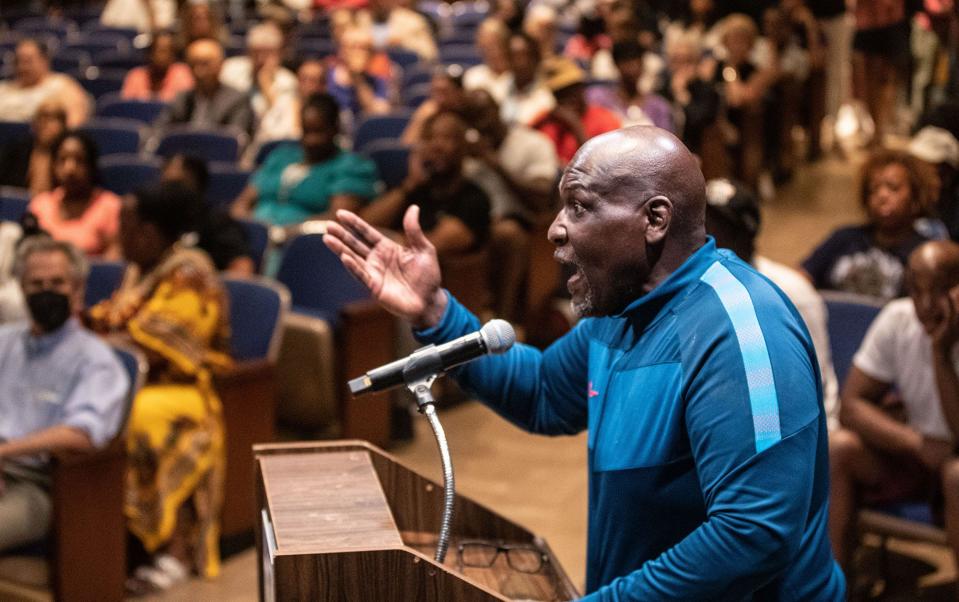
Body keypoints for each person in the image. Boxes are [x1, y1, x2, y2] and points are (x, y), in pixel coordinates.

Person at [324, 125, 845, 598]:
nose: (554, 229)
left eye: (578, 206)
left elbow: (754, 533)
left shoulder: (740, 329)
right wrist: (436, 310)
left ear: (654, 219)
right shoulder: (618, 314)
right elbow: (545, 393)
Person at [87, 181, 231, 591]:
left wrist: (104, 339)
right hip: (138, 379)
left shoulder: (190, 271)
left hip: (188, 387)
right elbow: (115, 319)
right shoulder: (141, 268)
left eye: (125, 227)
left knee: (142, 417)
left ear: (148, 232)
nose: (118, 236)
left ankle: (173, 551)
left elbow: (166, 345)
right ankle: (103, 544)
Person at [829, 241, 959, 579]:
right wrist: (915, 444)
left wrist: (941, 352)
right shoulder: (898, 318)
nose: (927, 305)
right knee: (840, 447)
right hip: (918, 458)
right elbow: (852, 407)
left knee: (956, 475)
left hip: (954, 466)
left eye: (941, 290)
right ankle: (835, 590)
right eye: (918, 291)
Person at [0, 236, 128, 553]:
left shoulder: (96, 360)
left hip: (42, 484)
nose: (46, 292)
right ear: (22, 289)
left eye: (57, 283)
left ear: (77, 290)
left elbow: (82, 434)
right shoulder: (5, 341)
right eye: (36, 283)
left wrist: (3, 454)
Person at [705, 178, 840, 431]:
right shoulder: (692, 291)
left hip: (793, 427)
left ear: (747, 233)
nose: (708, 236)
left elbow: (810, 384)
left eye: (719, 227)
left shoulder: (790, 292)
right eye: (701, 224)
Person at [802, 149, 938, 302]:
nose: (882, 196)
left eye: (893, 188)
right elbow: (801, 278)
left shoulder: (925, 253)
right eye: (873, 189)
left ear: (916, 198)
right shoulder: (844, 238)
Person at [231, 93, 378, 228]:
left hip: (302, 244)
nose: (310, 140)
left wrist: (285, 231)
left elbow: (338, 219)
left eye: (318, 132)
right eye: (306, 131)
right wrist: (253, 229)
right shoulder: (281, 157)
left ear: (335, 129)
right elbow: (242, 203)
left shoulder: (350, 166)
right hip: (255, 237)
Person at [362, 110, 491, 257]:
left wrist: (393, 238)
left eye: (447, 138)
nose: (437, 145)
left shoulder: (475, 199)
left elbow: (431, 247)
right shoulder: (413, 190)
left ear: (463, 147)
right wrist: (410, 184)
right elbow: (365, 226)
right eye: (430, 138)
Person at [28, 131, 122, 258]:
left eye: (79, 160)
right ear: (54, 166)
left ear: (91, 166)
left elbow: (113, 264)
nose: (70, 169)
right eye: (62, 160)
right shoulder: (41, 205)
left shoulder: (110, 206)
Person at [160, 154, 255, 275]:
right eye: (164, 184)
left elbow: (242, 268)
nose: (166, 192)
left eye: (174, 184)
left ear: (195, 183)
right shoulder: (155, 222)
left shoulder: (218, 222)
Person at [155, 39, 254, 137]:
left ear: (220, 65)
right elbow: (160, 131)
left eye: (205, 64)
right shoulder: (182, 98)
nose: (198, 71)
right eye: (193, 64)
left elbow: (235, 140)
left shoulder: (237, 100)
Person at [219, 23, 299, 146]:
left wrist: (267, 89)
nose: (261, 59)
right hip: (233, 133)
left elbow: (284, 128)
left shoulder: (287, 81)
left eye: (267, 53)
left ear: (279, 54)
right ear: (248, 52)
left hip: (265, 141)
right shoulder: (230, 70)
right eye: (256, 52)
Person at [532, 59, 622, 166]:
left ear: (581, 88)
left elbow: (602, 168)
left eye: (571, 90)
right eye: (560, 93)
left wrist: (575, 125)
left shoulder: (605, 120)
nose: (567, 98)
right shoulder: (546, 120)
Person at [587, 40, 674, 131]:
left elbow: (666, 139)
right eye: (626, 63)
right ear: (616, 65)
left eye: (637, 63)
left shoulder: (658, 106)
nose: (632, 69)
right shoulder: (600, 100)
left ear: (642, 64)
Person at [0, 39, 90, 127]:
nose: (22, 67)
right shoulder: (3, 88)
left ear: (44, 61)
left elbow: (73, 124)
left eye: (28, 61)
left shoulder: (62, 86)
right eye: (18, 61)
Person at [0, 99, 68, 195]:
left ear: (63, 126)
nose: (45, 123)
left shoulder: (69, 156)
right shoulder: (16, 150)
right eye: (41, 117)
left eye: (52, 118)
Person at [326, 26, 392, 124]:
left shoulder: (377, 81)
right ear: (341, 50)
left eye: (365, 48)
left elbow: (380, 116)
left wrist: (358, 80)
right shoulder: (326, 76)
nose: (359, 53)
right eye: (353, 47)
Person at [401, 65, 468, 145]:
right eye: (435, 91)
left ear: (459, 92)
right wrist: (421, 120)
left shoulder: (470, 111)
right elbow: (407, 144)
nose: (440, 99)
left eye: (444, 92)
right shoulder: (426, 113)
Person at [121, 30, 194, 102]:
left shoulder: (183, 73)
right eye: (161, 51)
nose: (164, 56)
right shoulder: (135, 76)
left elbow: (185, 105)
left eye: (169, 51)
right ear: (150, 53)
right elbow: (127, 107)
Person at [500, 32, 555, 126]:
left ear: (535, 58)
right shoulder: (499, 85)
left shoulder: (546, 95)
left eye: (523, 56)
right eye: (512, 56)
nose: (518, 63)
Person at [463, 18, 512, 104]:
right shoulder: (472, 76)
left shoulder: (518, 76)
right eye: (485, 46)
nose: (490, 51)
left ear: (505, 44)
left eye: (495, 44)